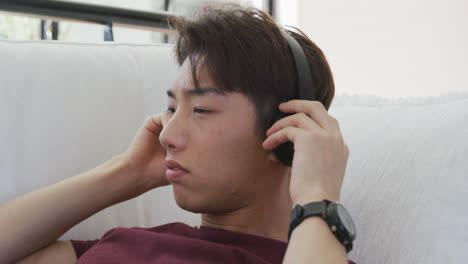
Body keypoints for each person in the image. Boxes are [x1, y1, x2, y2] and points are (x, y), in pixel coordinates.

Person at [0, 3, 355, 264]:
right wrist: (125, 172)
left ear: (285, 136)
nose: (166, 133)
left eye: (201, 109)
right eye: (171, 109)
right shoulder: (128, 242)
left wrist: (317, 199)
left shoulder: (317, 252)